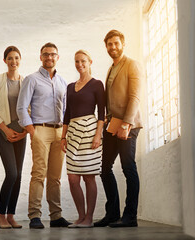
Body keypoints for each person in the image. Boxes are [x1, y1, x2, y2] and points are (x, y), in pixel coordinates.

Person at [16, 42, 71, 229]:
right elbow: (21, 107)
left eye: (53, 54)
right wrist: (33, 131)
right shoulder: (32, 79)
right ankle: (35, 216)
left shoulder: (63, 82)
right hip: (40, 130)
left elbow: (65, 109)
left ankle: (56, 216)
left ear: (58, 57)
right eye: (46, 54)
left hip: (59, 132)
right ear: (41, 57)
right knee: (39, 174)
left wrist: (65, 132)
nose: (49, 57)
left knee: (55, 177)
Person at [94, 30, 143, 228]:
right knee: (105, 169)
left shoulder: (132, 64)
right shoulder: (111, 68)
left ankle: (130, 216)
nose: (112, 47)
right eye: (109, 44)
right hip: (112, 125)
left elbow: (135, 96)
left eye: (116, 43)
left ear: (123, 44)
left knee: (128, 167)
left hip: (127, 125)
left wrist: (126, 123)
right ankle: (112, 214)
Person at [61, 50, 105, 228]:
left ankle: (89, 218)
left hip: (89, 131)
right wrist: (63, 136)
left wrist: (97, 135)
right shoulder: (70, 86)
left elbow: (101, 113)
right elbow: (67, 113)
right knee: (73, 178)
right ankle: (80, 217)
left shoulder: (97, 84)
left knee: (89, 178)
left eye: (83, 61)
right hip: (72, 132)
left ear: (90, 62)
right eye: (77, 61)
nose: (80, 64)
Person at [0, 46, 27, 229]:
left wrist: (25, 132)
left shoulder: (25, 81)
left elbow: (30, 109)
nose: (13, 61)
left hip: (21, 132)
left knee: (18, 175)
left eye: (16, 58)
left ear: (20, 59)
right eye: (10, 58)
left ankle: (11, 215)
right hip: (3, 132)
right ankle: (1, 216)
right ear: (5, 60)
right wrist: (4, 128)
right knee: (11, 173)